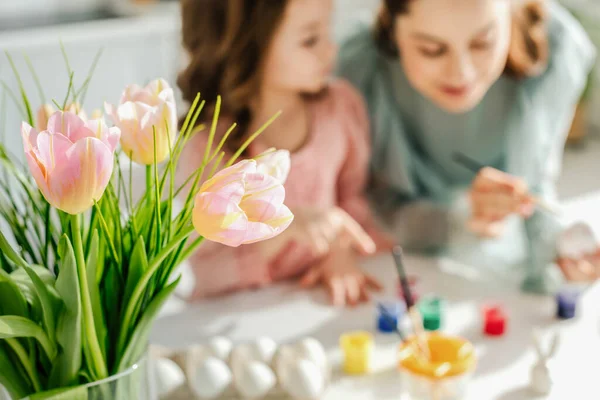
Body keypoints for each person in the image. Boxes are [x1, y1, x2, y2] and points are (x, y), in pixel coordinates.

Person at [337, 0, 598, 293]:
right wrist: (463, 218)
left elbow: (536, 185)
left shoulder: (554, 50)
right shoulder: (359, 68)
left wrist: (559, 252)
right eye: (431, 50)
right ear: (392, 28)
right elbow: (378, 207)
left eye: (483, 43)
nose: (462, 73)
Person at [176, 0, 394, 306]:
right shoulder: (210, 146)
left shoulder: (340, 109)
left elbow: (352, 206)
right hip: (242, 314)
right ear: (247, 48)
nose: (330, 50)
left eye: (327, 32)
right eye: (310, 40)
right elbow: (208, 274)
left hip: (313, 303)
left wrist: (338, 253)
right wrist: (285, 229)